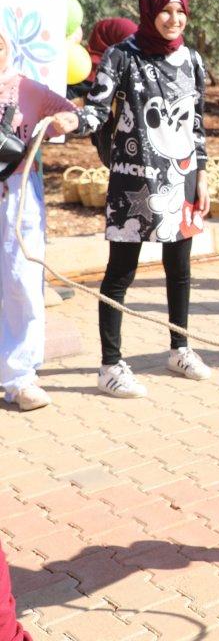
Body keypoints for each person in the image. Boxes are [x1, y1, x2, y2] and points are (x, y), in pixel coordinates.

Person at [67, 0, 213, 398]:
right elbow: (97, 109)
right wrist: (73, 121)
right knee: (120, 274)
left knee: (179, 270)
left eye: (180, 11)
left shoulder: (192, 61)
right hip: (133, 179)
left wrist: (200, 173)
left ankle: (179, 348)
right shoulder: (121, 56)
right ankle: (110, 365)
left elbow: (197, 123)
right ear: (149, 12)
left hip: (181, 179)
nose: (174, 19)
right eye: (165, 10)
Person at [0, 30, 83, 411]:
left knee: (22, 282)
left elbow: (70, 112)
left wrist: (65, 120)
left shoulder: (28, 89)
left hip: (18, 201)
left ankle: (20, 377)